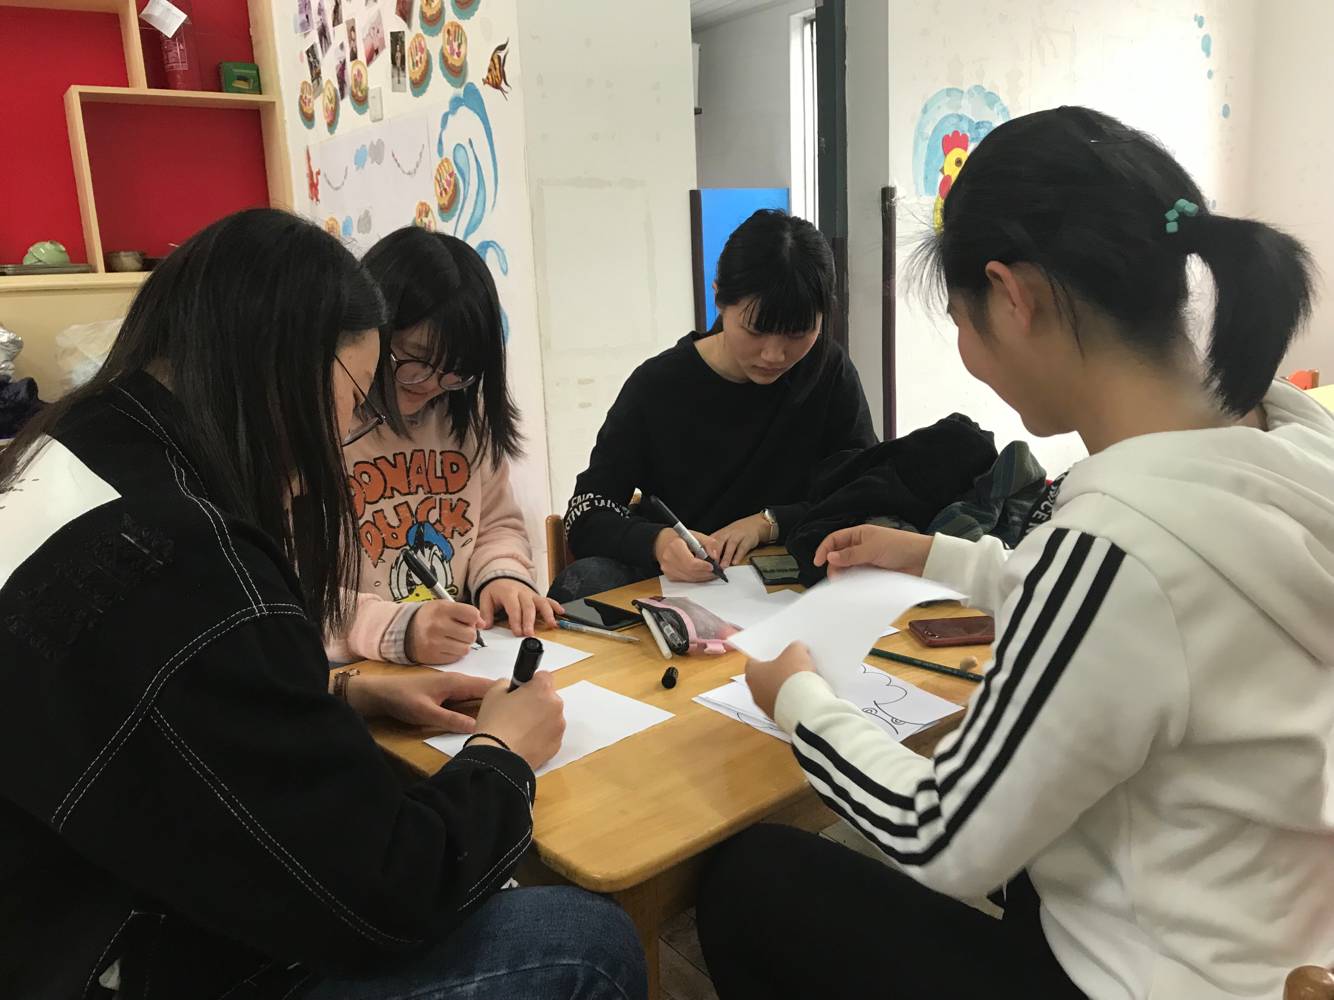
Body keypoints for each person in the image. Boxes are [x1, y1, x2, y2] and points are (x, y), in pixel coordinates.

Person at [697, 106, 1334, 999]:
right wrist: (937, 556)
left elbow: (940, 835)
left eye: (961, 320)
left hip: (1132, 973)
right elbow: (1145, 610)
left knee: (752, 877)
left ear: (1012, 294)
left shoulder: (1117, 546)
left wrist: (797, 697)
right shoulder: (1293, 441)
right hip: (1262, 941)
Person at [0, 209, 645, 1000]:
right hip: (107, 950)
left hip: (65, 899)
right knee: (586, 938)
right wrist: (502, 756)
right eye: (355, 398)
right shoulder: (186, 562)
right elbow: (389, 895)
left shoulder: (77, 440)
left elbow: (176, 717)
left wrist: (348, 694)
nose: (322, 461)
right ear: (276, 368)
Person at [552, 209, 877, 602]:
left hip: (795, 583)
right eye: (755, 331)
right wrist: (657, 542)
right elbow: (586, 512)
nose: (774, 355)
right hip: (687, 589)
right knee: (586, 579)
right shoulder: (659, 385)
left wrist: (768, 523)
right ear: (719, 297)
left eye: (798, 333)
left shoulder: (828, 372)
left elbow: (867, 489)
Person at [328, 228, 562, 669]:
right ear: (373, 334)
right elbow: (288, 591)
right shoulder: (328, 421)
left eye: (455, 371)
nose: (431, 385)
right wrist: (397, 629)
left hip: (455, 658)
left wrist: (502, 576)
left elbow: (496, 524)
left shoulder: (463, 412)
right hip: (353, 669)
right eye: (415, 360)